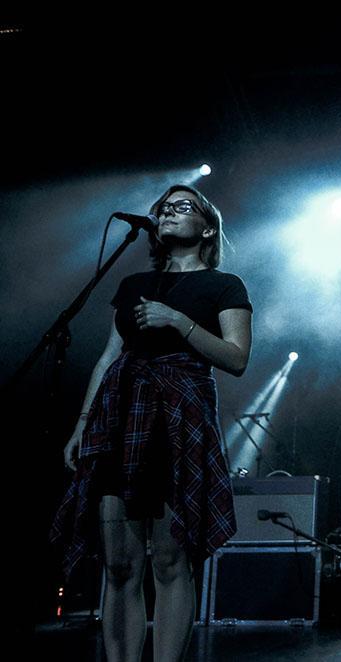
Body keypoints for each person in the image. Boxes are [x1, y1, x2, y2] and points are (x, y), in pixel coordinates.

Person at [51, 185, 253, 662]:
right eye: (164, 208)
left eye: (183, 207)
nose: (168, 213)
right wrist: (83, 424)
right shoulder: (133, 284)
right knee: (119, 564)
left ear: (208, 228)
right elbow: (109, 356)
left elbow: (237, 358)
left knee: (169, 558)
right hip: (121, 417)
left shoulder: (225, 285)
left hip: (178, 420)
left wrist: (178, 322)